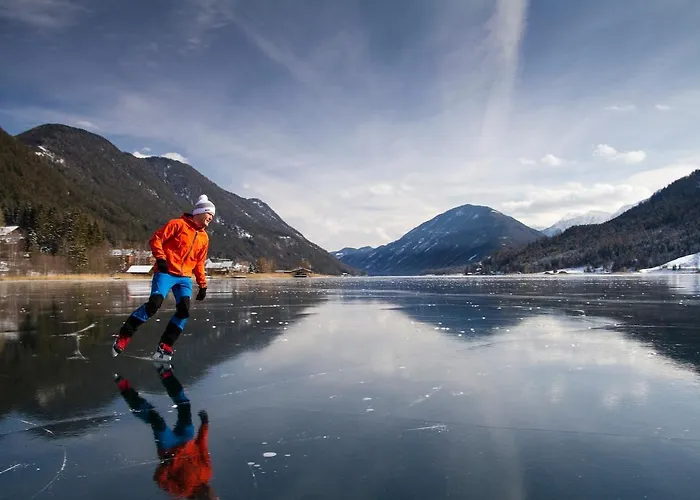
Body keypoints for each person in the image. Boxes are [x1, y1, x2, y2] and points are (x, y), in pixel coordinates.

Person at [112, 195, 214, 361]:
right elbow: (156, 239)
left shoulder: (204, 238)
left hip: (184, 278)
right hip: (166, 272)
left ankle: (165, 345)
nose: (211, 218)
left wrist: (203, 284)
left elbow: (199, 262)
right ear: (200, 212)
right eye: (209, 214)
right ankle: (124, 336)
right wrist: (161, 258)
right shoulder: (177, 224)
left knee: (184, 310)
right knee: (154, 304)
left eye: (212, 216)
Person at [114, 365, 217, 499]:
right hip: (186, 439)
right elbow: (203, 448)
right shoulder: (207, 473)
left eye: (212, 497)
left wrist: (167, 464)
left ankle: (124, 388)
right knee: (185, 406)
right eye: (214, 496)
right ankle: (165, 374)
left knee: (156, 420)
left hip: (170, 449)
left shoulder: (182, 491)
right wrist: (205, 424)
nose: (213, 493)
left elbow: (160, 479)